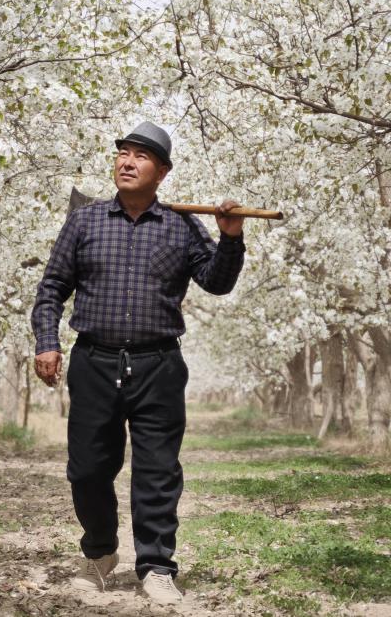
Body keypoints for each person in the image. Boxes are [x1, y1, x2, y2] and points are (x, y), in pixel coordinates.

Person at [30, 121, 245, 606]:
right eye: (122, 154)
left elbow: (217, 282)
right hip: (94, 361)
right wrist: (48, 342)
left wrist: (229, 238)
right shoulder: (84, 222)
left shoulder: (181, 225)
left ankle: (156, 566)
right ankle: (100, 553)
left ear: (162, 172)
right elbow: (51, 290)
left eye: (140, 156)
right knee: (87, 469)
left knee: (157, 471)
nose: (126, 162)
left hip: (159, 365)